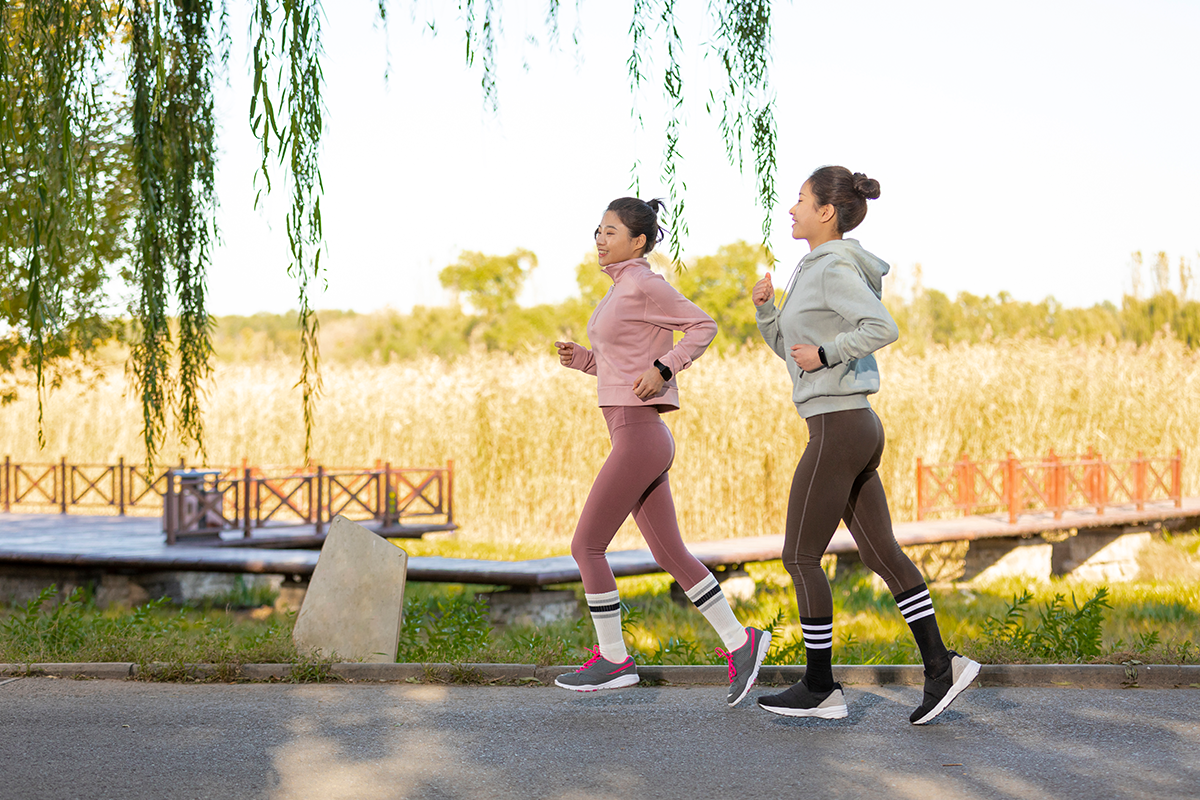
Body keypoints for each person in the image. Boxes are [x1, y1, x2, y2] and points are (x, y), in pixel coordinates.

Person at [751, 167, 980, 723]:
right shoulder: (813, 268)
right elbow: (791, 350)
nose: (791, 208)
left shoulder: (832, 267)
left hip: (839, 426)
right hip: (847, 424)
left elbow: (881, 327)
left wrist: (828, 355)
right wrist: (766, 310)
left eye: (799, 200)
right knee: (881, 555)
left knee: (800, 557)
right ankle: (941, 667)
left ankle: (820, 686)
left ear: (825, 212)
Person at [553, 196, 771, 706]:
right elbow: (621, 362)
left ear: (639, 242)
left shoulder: (644, 283)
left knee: (586, 546)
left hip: (639, 434)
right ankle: (743, 643)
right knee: (669, 552)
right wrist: (586, 360)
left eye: (610, 232)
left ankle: (614, 660)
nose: (600, 239)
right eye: (597, 231)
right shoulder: (619, 290)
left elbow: (703, 325)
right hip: (633, 431)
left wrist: (666, 367)